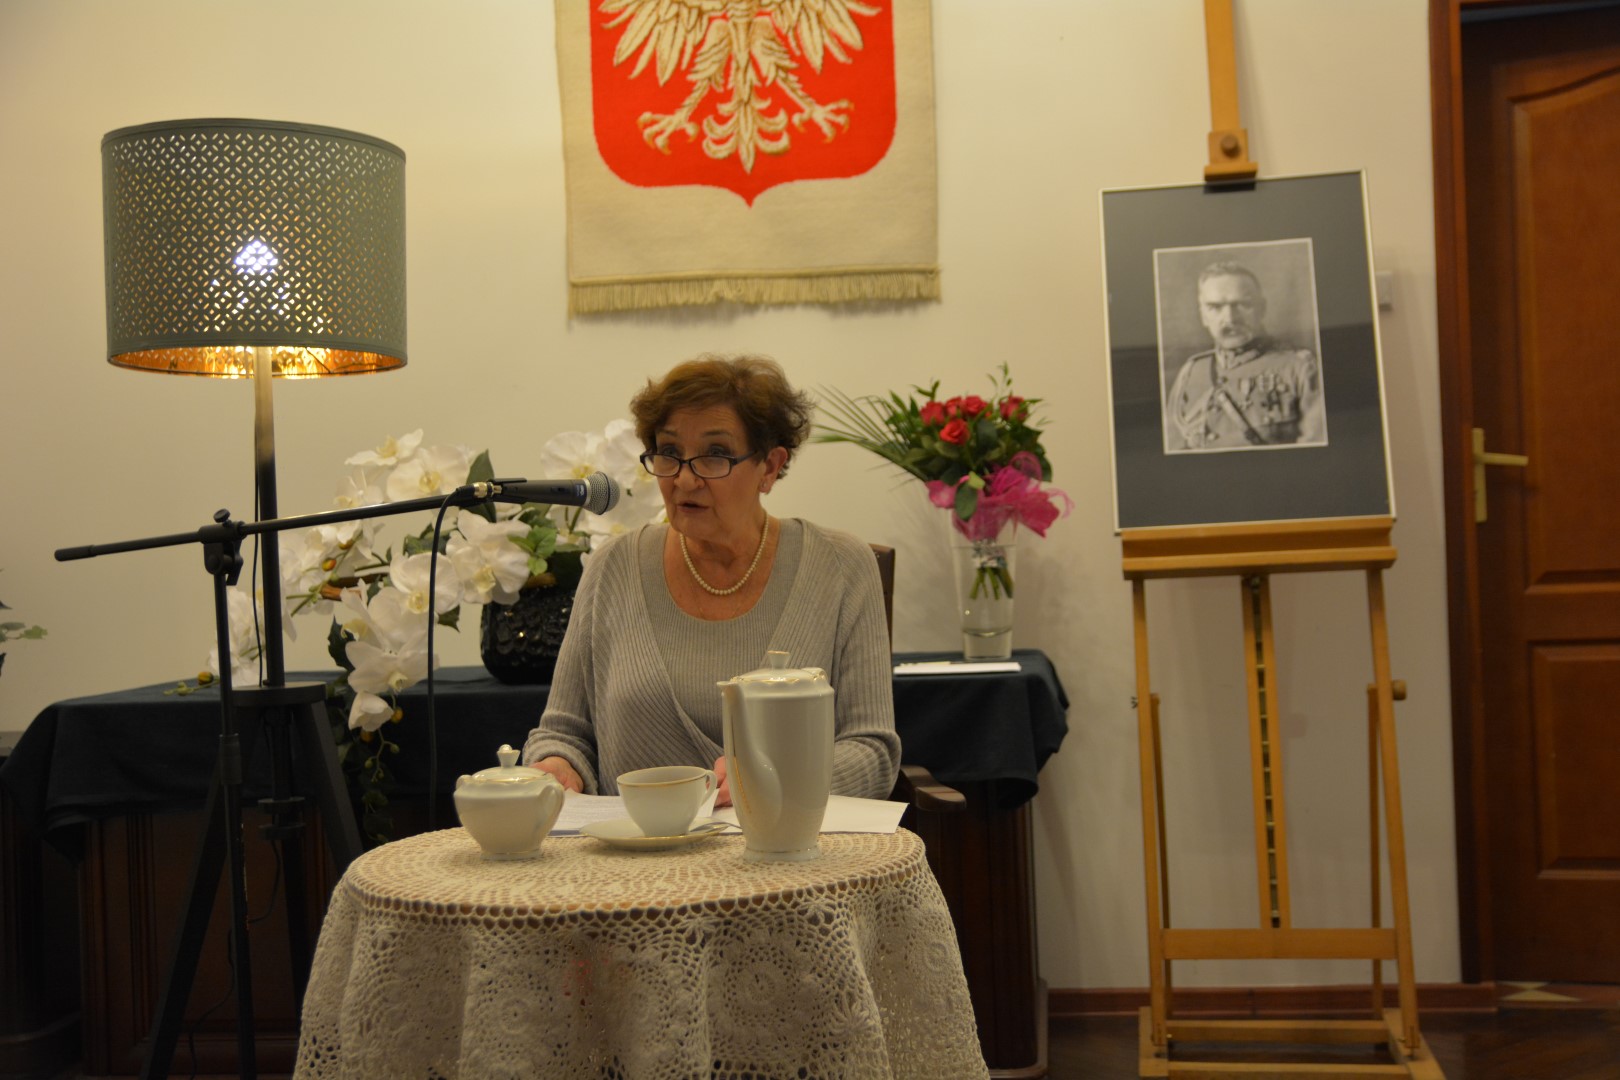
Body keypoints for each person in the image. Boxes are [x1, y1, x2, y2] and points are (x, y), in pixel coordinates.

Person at [522, 354, 901, 806]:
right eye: (669, 453)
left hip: (787, 844)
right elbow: (563, 735)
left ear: (769, 466)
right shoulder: (613, 567)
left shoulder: (840, 566)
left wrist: (776, 780)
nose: (685, 479)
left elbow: (872, 750)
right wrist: (556, 766)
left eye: (716, 454)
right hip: (635, 848)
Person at [1165, 261, 1326, 451]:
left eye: (1243, 305)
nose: (1230, 319)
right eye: (1215, 307)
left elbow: (1314, 451)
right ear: (1203, 316)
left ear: (1262, 309)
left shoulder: (1299, 367)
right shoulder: (1190, 372)